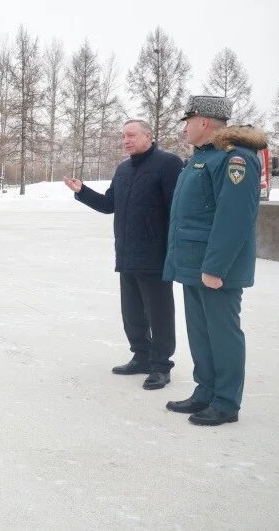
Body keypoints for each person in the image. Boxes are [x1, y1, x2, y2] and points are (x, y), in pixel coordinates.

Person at [164, 96, 266, 426]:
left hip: (215, 268)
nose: (185, 128)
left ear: (204, 122)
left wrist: (215, 267)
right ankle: (205, 390)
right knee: (200, 332)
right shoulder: (202, 158)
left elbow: (234, 218)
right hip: (194, 264)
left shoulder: (235, 159)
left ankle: (226, 402)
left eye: (188, 121)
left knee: (222, 333)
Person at [63, 120, 184, 390]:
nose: (125, 140)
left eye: (131, 135)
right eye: (123, 136)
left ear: (148, 136)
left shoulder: (168, 163)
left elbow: (178, 209)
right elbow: (109, 205)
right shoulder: (124, 168)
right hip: (127, 253)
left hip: (155, 254)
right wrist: (82, 192)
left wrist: (173, 248)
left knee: (159, 312)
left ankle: (161, 365)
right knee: (132, 311)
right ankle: (141, 356)